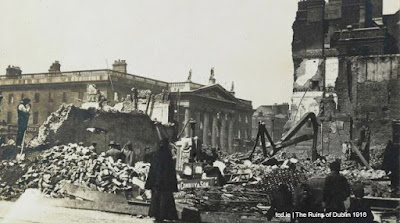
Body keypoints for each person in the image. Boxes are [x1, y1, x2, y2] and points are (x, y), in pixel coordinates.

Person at [145, 138, 178, 222]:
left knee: (156, 199)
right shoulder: (168, 156)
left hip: (156, 182)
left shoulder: (155, 155)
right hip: (166, 183)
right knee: (164, 199)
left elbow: (152, 169)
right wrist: (173, 184)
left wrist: (149, 182)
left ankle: (156, 216)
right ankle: (164, 216)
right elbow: (171, 171)